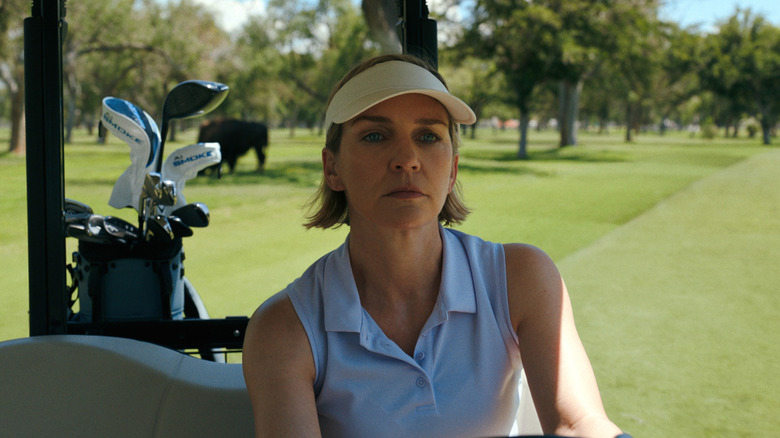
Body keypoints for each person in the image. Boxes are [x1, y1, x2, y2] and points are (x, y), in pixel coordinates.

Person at [243, 53, 626, 438]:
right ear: (332, 168)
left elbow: (578, 423)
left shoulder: (522, 277)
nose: (407, 160)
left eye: (428, 136)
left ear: (452, 170)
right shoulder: (284, 327)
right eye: (375, 136)